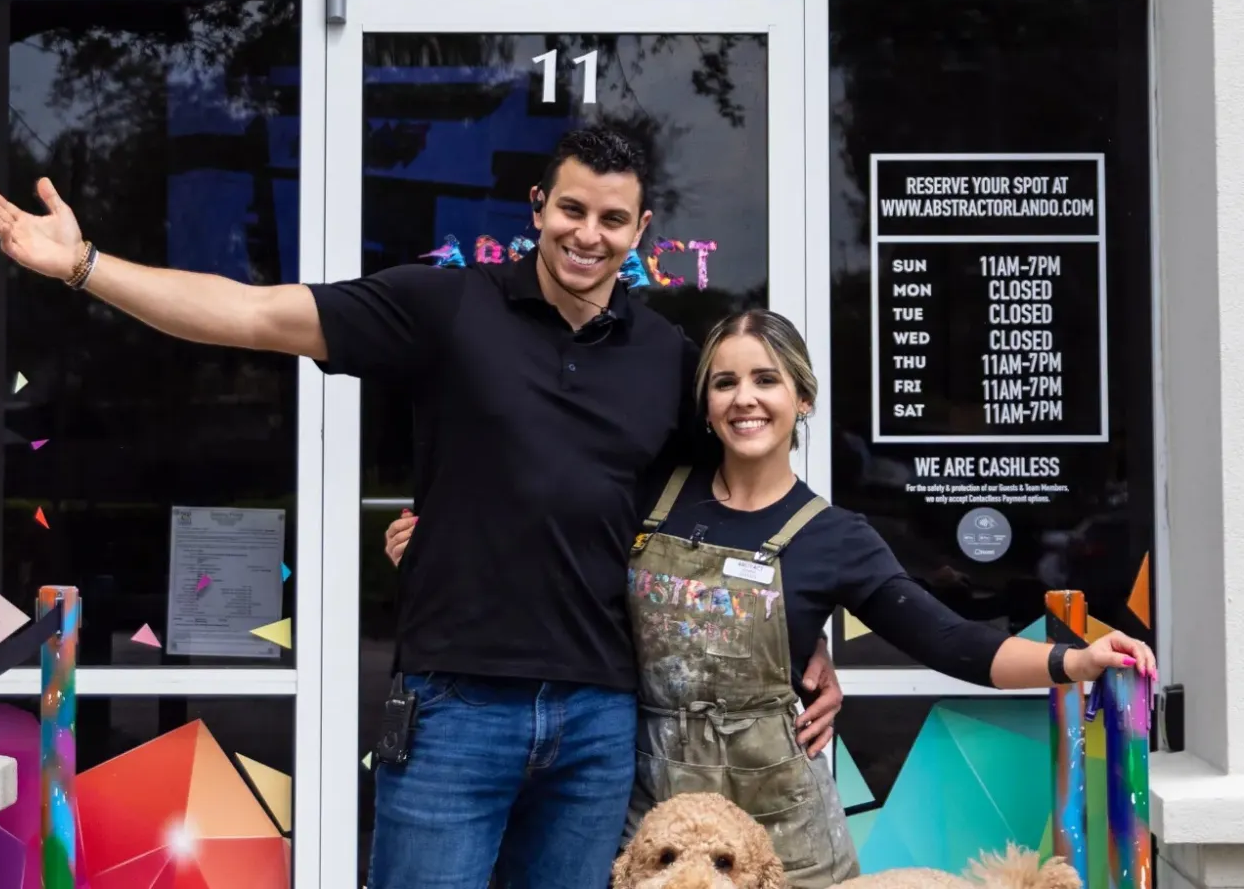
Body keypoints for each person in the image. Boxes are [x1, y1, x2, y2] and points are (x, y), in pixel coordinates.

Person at [0, 124, 842, 889]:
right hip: (453, 710)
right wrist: (84, 266)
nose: (589, 235)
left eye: (613, 220)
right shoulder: (447, 306)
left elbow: (738, 500)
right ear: (538, 206)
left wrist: (802, 633)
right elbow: (255, 315)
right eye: (572, 210)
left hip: (598, 717)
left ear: (642, 231)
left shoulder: (666, 357)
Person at [387, 306, 1157, 888]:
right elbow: (544, 546)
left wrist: (1076, 658)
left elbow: (950, 640)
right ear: (707, 404)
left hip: (785, 833)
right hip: (651, 823)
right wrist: (438, 539)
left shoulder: (836, 537)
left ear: (801, 399)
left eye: (765, 379)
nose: (744, 399)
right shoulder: (652, 496)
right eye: (725, 382)